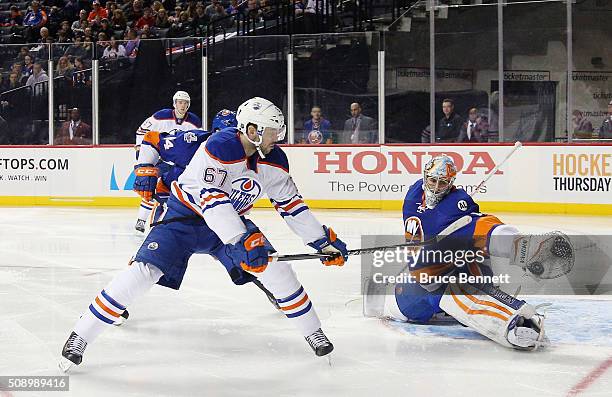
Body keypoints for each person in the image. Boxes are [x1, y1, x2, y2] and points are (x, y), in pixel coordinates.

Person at [59, 97, 348, 371]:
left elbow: (292, 206)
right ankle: (81, 336)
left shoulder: (275, 161)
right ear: (252, 130)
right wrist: (240, 240)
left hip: (229, 221)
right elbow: (210, 198)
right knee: (142, 272)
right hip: (184, 218)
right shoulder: (221, 145)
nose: (279, 136)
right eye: (273, 130)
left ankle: (314, 333)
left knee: (277, 270)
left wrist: (322, 240)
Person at [364, 154, 575, 351]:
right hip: (410, 297)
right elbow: (432, 228)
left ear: (451, 183)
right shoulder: (415, 199)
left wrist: (459, 215)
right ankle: (507, 324)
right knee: (452, 286)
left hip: (431, 274)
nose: (436, 188)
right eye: (432, 181)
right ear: (425, 178)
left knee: (473, 242)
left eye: (443, 183)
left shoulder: (448, 202)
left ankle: (523, 249)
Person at [133, 91, 202, 233]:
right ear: (174, 103)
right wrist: (141, 151)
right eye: (180, 102)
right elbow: (142, 131)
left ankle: (164, 222)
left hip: (181, 165)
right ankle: (142, 219)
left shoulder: (194, 122)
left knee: (172, 193)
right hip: (162, 160)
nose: (182, 105)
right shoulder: (161, 116)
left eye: (185, 103)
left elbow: (199, 142)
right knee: (149, 187)